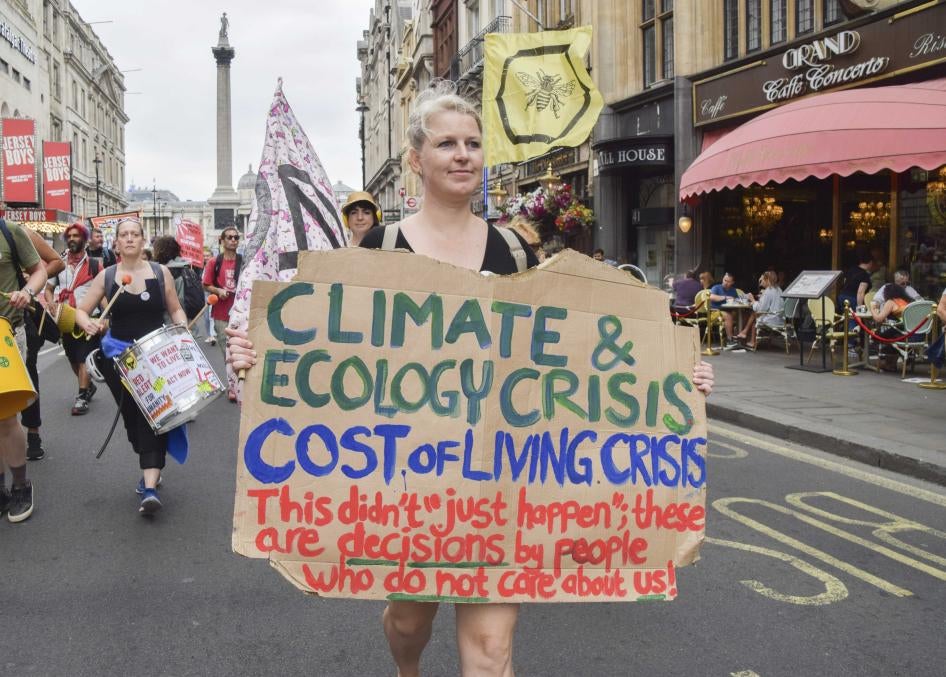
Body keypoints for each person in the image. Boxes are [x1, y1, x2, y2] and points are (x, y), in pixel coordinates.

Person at [228, 81, 715, 677]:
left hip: (500, 483)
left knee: (491, 651)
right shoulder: (379, 246)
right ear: (416, 158)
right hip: (407, 480)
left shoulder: (514, 250)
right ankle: (408, 670)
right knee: (409, 624)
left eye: (473, 143)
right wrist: (258, 353)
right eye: (446, 144)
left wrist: (673, 375)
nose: (462, 155)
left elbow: (574, 355)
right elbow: (320, 354)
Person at [75, 217, 187, 514]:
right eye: (123, 234)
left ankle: (150, 486)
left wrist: (183, 330)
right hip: (119, 359)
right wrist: (90, 323)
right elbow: (81, 311)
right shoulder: (107, 275)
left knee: (154, 416)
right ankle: (149, 462)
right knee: (133, 420)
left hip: (156, 358)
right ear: (117, 242)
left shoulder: (160, 273)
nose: (129, 239)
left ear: (142, 239)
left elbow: (175, 309)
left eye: (134, 234)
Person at [0, 218, 48, 522]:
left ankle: (20, 485)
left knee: (5, 415)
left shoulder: (10, 231)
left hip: (6, 332)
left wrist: (27, 292)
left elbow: (40, 270)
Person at [45, 223, 101, 416]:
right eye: (69, 236)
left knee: (84, 356)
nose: (72, 239)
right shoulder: (59, 263)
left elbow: (102, 294)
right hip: (65, 318)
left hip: (87, 317)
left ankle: (82, 395)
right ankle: (88, 386)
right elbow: (48, 289)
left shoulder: (95, 265)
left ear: (84, 240)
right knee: (72, 358)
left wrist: (107, 316)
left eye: (76, 236)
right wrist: (51, 303)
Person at [20, 227, 64, 460]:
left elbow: (57, 262)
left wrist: (30, 281)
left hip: (23, 318)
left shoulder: (19, 233)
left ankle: (32, 432)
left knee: (27, 375)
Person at [203, 226, 243, 401]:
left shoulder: (244, 260)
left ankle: (240, 384)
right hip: (221, 314)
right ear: (222, 240)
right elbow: (205, 284)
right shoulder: (214, 262)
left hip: (242, 313)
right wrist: (218, 291)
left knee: (240, 351)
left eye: (236, 237)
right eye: (229, 237)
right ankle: (232, 386)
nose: (233, 240)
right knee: (227, 352)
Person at [869, 283, 914, 372]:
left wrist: (872, 309)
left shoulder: (891, 302)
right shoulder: (906, 301)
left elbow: (878, 319)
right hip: (908, 331)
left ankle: (889, 363)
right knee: (888, 335)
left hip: (897, 332)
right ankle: (891, 363)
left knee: (876, 335)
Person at [735, 271, 783, 350]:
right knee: (755, 314)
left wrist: (752, 300)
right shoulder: (778, 289)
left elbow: (760, 309)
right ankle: (746, 335)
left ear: (767, 280)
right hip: (780, 318)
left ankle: (748, 337)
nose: (761, 282)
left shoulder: (768, 291)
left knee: (755, 314)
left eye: (762, 280)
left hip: (772, 319)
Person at [709, 272, 741, 348]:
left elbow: (736, 300)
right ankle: (730, 340)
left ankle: (739, 338)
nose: (725, 283)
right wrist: (725, 297)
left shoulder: (733, 290)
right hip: (715, 311)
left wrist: (737, 300)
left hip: (729, 310)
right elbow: (712, 297)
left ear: (732, 282)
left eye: (728, 281)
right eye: (725, 280)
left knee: (742, 315)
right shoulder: (716, 287)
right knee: (728, 315)